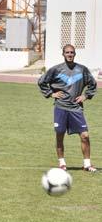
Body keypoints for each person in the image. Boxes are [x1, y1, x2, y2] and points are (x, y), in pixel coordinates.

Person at [38, 44, 97, 172]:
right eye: (67, 52)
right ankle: (62, 163)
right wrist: (51, 94)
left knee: (85, 136)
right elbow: (42, 81)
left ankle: (87, 164)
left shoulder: (82, 70)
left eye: (72, 52)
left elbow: (93, 84)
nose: (69, 54)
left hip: (76, 108)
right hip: (61, 107)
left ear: (75, 54)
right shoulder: (56, 70)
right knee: (60, 134)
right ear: (63, 54)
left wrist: (85, 96)